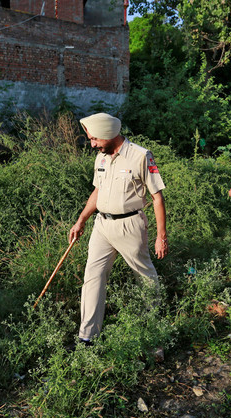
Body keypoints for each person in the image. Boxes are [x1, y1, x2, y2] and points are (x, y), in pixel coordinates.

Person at [68, 113, 169, 346]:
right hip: (101, 226)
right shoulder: (101, 158)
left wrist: (161, 237)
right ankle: (87, 337)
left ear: (108, 134)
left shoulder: (141, 156)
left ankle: (153, 328)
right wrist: (81, 220)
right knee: (92, 276)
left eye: (95, 139)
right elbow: (97, 192)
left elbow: (157, 197)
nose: (92, 144)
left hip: (130, 225)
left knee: (144, 275)